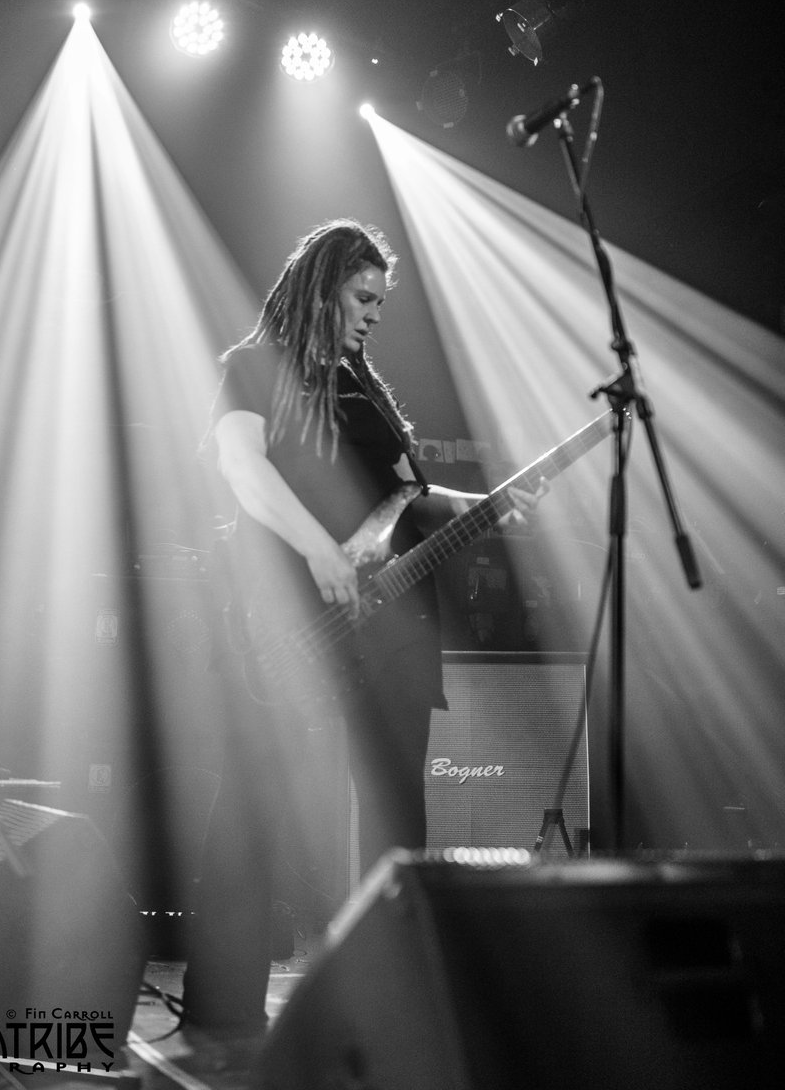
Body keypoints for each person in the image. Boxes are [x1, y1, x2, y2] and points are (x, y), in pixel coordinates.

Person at [181, 219, 545, 1033]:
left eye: (382, 301)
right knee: (254, 809)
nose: (375, 312)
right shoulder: (255, 368)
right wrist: (318, 552)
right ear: (323, 285)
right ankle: (219, 1016)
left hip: (394, 631)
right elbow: (242, 466)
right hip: (293, 616)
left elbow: (406, 501)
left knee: (392, 820)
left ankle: (393, 1010)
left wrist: (485, 503)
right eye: (363, 296)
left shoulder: (367, 387)